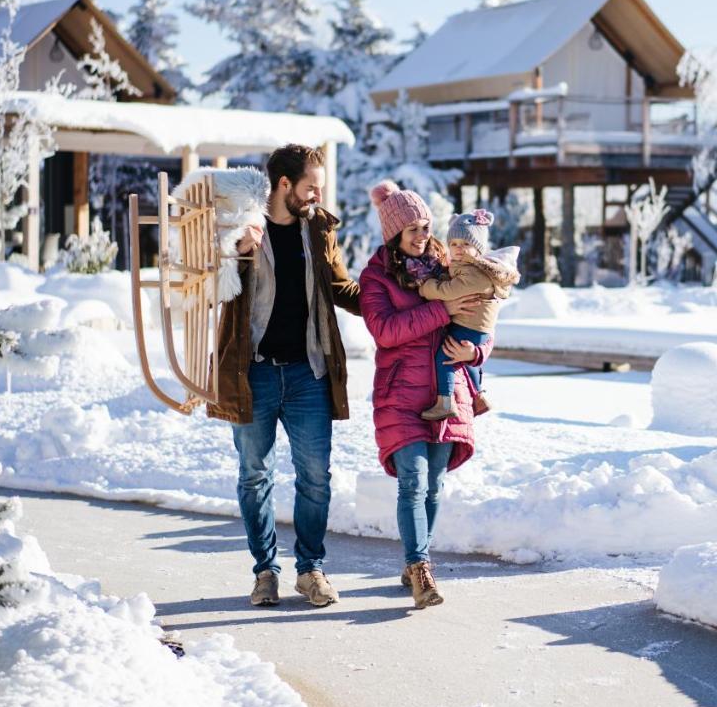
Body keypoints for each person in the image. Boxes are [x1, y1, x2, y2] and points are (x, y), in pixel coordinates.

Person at [208, 143, 360, 609]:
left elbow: (340, 287)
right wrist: (232, 250)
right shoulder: (240, 226)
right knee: (255, 476)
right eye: (311, 186)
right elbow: (200, 272)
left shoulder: (319, 231)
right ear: (284, 184)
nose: (318, 195)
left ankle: (311, 569)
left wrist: (404, 298)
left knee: (316, 477)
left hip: (308, 373)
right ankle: (265, 571)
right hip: (251, 371)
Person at [358, 180, 487, 609]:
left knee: (434, 484)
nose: (421, 234)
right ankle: (420, 567)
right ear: (394, 233)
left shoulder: (449, 264)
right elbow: (385, 331)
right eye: (411, 227)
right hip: (401, 393)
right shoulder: (376, 276)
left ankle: (417, 559)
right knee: (412, 481)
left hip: (449, 388)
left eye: (425, 225)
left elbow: (483, 317)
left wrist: (477, 351)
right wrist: (441, 310)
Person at [414, 209, 520, 420]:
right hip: (474, 326)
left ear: (478, 248)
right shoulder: (466, 266)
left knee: (445, 358)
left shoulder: (475, 272)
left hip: (471, 326)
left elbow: (449, 291)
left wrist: (426, 287)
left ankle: (444, 402)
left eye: (466, 244)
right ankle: (479, 397)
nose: (459, 249)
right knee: (461, 358)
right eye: (454, 244)